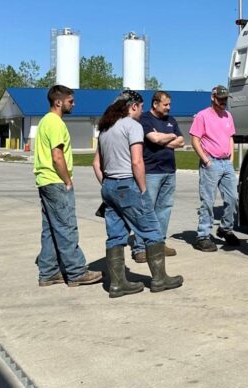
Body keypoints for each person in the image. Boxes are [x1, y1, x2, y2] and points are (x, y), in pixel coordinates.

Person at [92, 90, 182, 297]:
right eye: (141, 108)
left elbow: (96, 164)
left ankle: (117, 284)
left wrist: (107, 185)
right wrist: (142, 189)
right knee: (152, 230)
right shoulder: (132, 126)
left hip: (109, 186)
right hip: (128, 185)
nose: (142, 112)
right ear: (133, 106)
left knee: (115, 234)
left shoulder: (106, 128)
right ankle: (160, 279)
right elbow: (137, 161)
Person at [35, 85, 102, 288]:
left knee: (51, 229)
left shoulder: (44, 121)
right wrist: (67, 180)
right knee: (66, 227)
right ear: (58, 102)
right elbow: (57, 156)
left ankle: (48, 272)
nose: (74, 104)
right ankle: (76, 271)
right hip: (56, 181)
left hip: (44, 181)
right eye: (70, 101)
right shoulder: (55, 123)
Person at [131, 91, 186, 263]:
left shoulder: (171, 120)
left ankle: (158, 243)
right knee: (146, 209)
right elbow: (152, 138)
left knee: (164, 209)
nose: (169, 107)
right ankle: (140, 247)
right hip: (151, 172)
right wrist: (169, 137)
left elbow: (182, 141)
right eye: (165, 104)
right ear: (155, 104)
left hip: (169, 171)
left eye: (169, 104)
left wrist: (163, 139)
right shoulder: (145, 119)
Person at [189, 85, 241, 252]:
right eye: (220, 99)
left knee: (232, 198)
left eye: (225, 99)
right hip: (211, 162)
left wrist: (231, 158)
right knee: (208, 201)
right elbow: (195, 140)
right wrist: (205, 160)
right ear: (213, 98)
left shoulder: (228, 116)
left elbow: (230, 137)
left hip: (226, 162)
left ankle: (225, 229)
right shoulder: (202, 116)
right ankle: (203, 235)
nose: (223, 102)